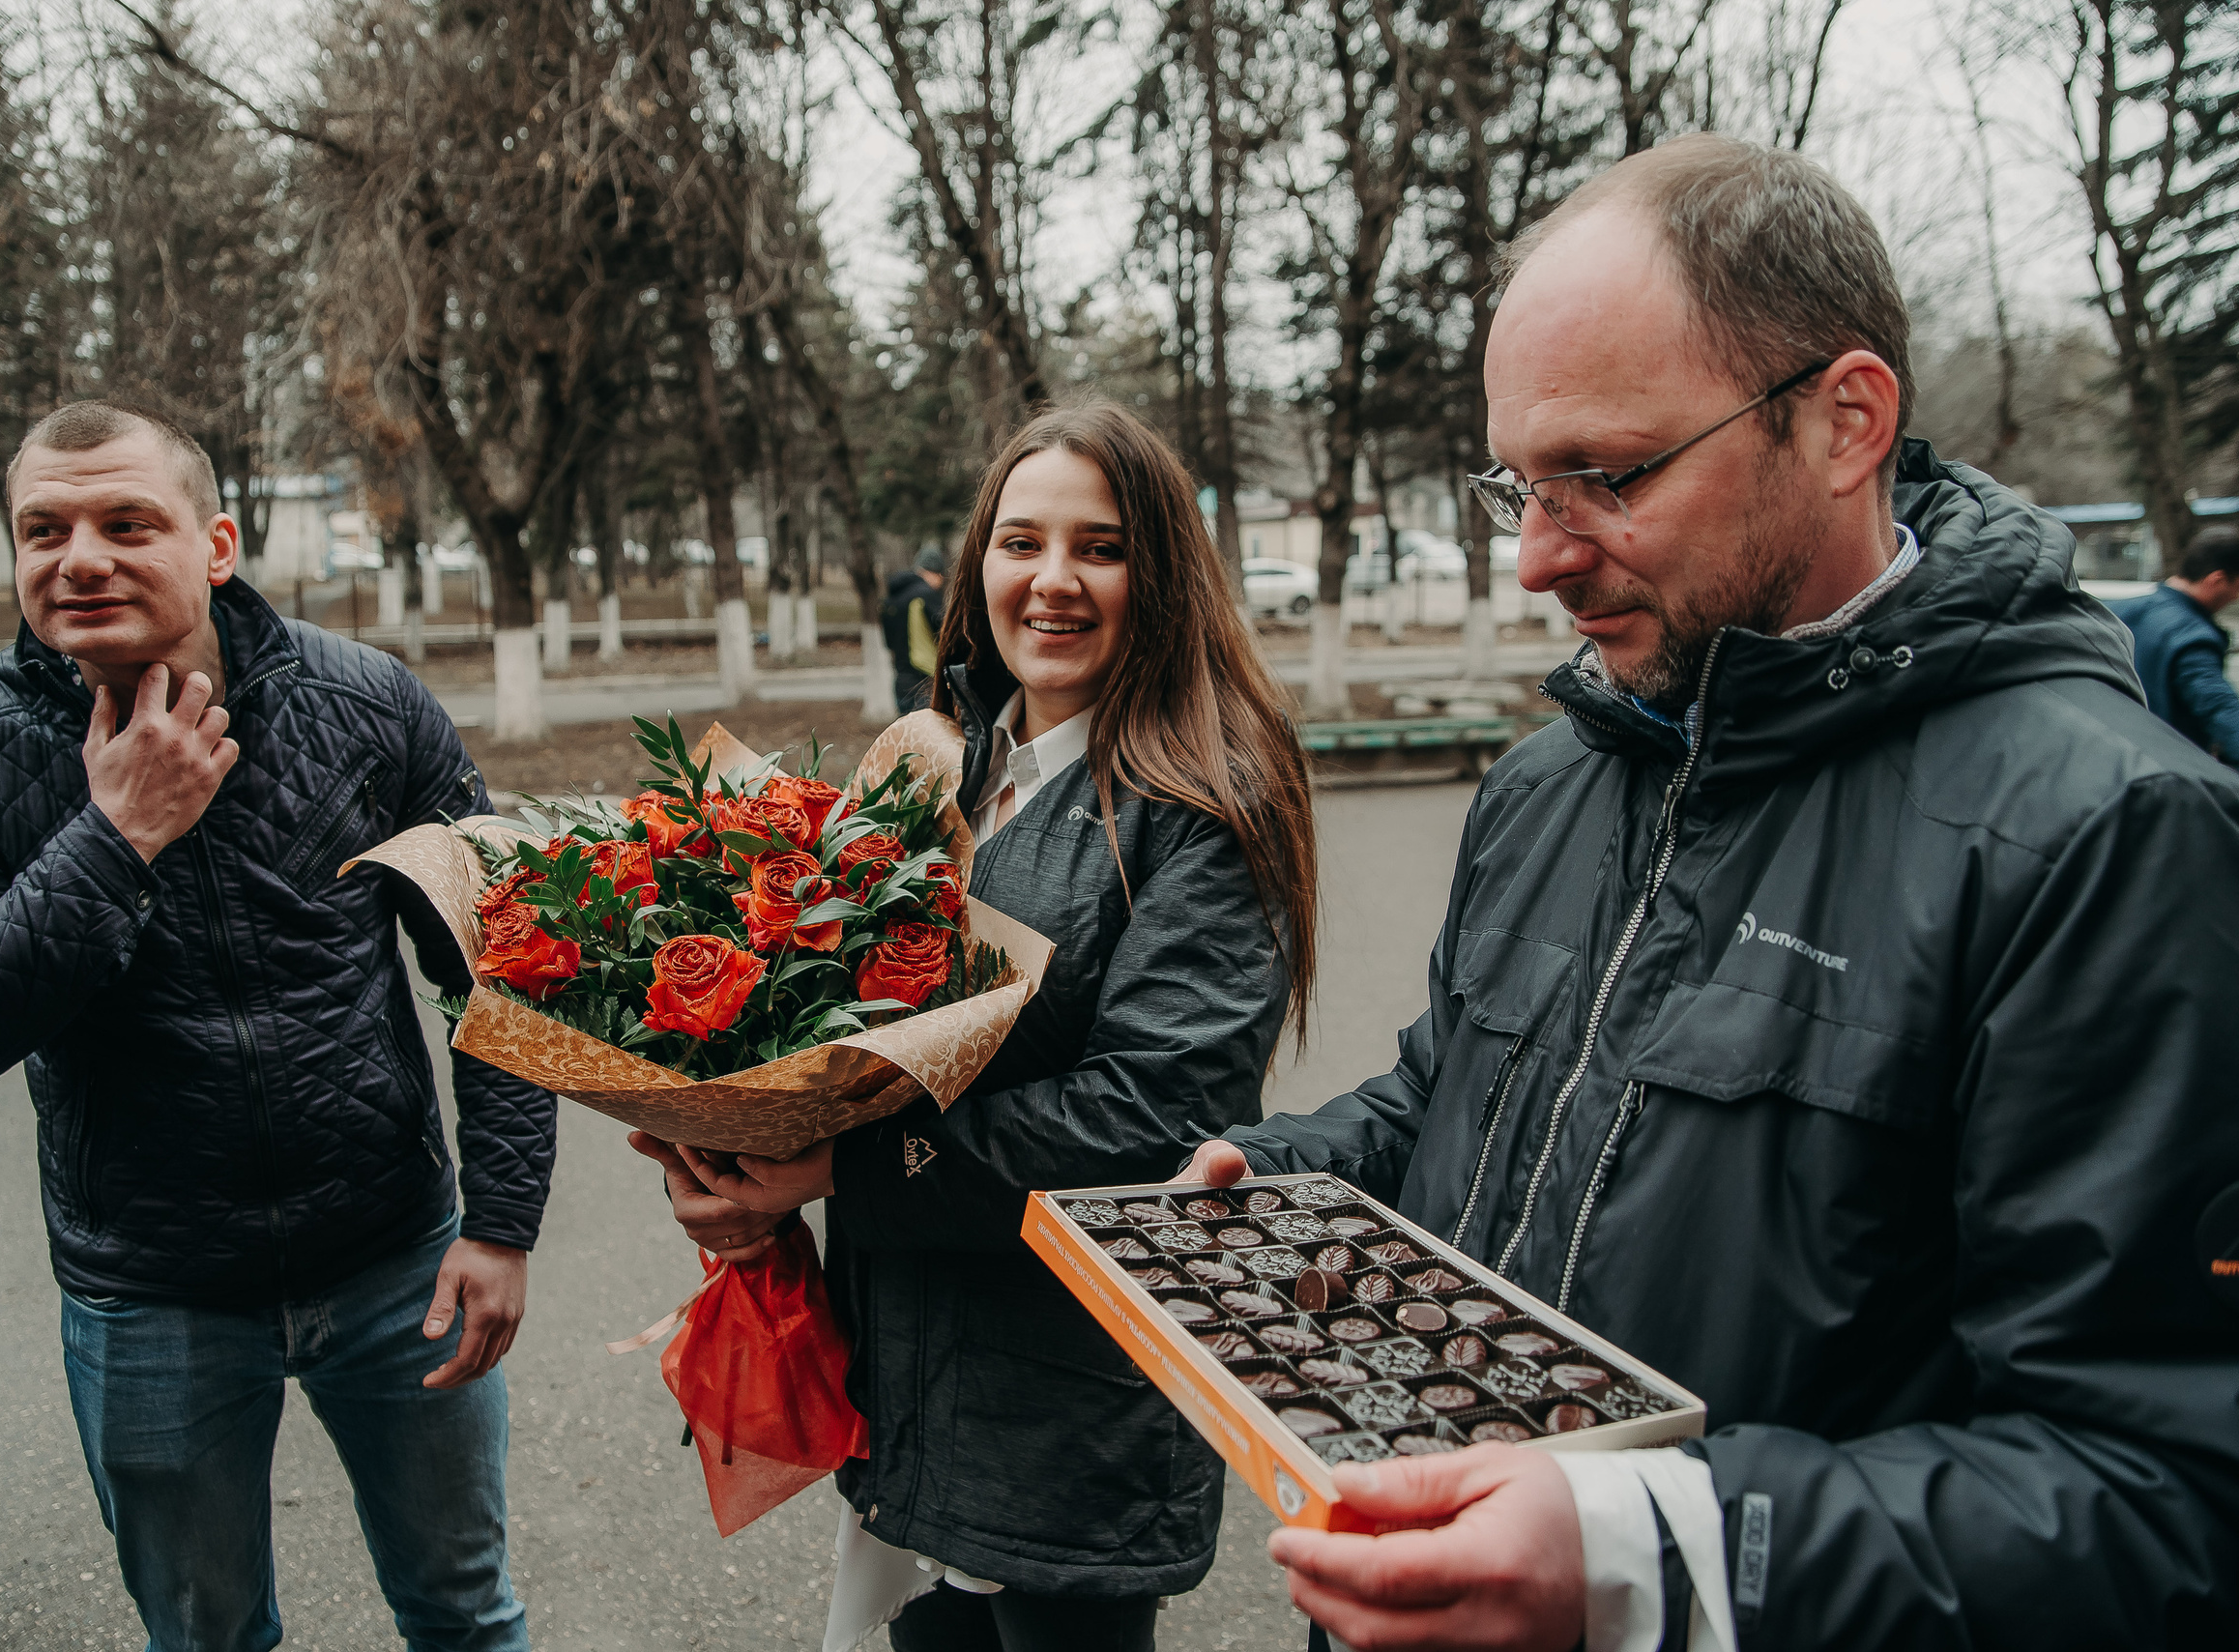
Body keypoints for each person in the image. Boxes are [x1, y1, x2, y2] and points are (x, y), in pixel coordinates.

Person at [1182, 134, 2239, 1651]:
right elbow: (1458, 1099)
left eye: (1605, 477)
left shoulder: (2111, 836)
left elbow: (2165, 1493)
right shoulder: (1553, 778)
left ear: (1846, 421)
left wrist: (1658, 1552)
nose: (1538, 558)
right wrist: (1287, 1177)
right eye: (1518, 486)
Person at [0, 400, 549, 1652]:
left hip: (393, 1255)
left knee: (465, 1611)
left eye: (127, 523)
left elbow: (504, 961)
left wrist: (501, 1218)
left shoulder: (365, 701)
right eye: (45, 530)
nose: (81, 559)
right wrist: (113, 836)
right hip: (150, 1295)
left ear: (216, 543)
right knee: (207, 1636)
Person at [634, 402, 1321, 1651]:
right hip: (908, 1374)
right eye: (1022, 542)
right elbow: (841, 1040)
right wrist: (736, 1149)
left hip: (1064, 1409)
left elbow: (1150, 1118)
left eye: (1101, 547)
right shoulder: (942, 767)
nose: (1053, 580)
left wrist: (840, 1168)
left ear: (1162, 575)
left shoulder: (1207, 802)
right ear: (978, 563)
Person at [2109, 523, 2239, 766]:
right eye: (2237, 587)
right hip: (2159, 767)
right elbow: (2218, 706)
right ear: (2218, 580)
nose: (2236, 597)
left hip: (2106, 757)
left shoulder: (2115, 611)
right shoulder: (2192, 636)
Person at [881, 544, 947, 711]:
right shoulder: (926, 595)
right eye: (941, 575)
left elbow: (889, 643)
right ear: (934, 572)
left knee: (907, 728)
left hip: (901, 683)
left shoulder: (892, 599)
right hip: (925, 682)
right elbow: (947, 633)